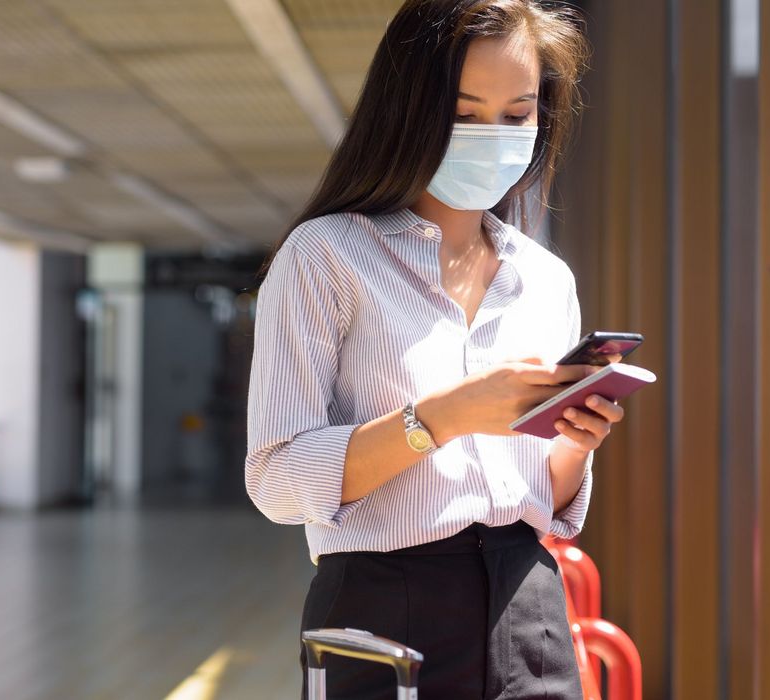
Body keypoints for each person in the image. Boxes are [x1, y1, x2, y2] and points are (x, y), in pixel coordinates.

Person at [244, 1, 625, 697]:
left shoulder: (545, 279)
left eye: (517, 116)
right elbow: (276, 481)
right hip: (381, 605)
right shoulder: (326, 256)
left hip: (528, 603)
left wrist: (575, 442)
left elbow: (544, 495)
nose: (494, 136)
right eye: (465, 111)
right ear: (408, 110)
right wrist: (441, 418)